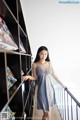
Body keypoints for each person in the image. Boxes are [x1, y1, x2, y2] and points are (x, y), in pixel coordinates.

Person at [22, 46, 62, 120]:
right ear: (38, 54)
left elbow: (54, 74)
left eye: (45, 54)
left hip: (50, 90)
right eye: (42, 54)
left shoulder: (49, 63)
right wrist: (29, 76)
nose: (43, 56)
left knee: (47, 113)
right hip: (41, 91)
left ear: (47, 55)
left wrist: (62, 84)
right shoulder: (35, 65)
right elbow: (35, 77)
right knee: (46, 113)